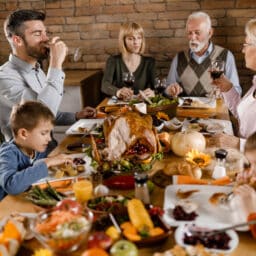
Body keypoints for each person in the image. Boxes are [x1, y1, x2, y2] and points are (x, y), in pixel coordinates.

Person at [0, 9, 96, 141]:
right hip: (28, 160)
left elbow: (47, 109)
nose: (46, 38)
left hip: (49, 150)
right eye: (37, 34)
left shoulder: (37, 70)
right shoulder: (4, 77)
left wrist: (76, 116)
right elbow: (41, 117)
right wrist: (56, 63)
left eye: (45, 33)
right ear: (18, 40)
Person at [0, 101, 73, 200]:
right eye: (44, 133)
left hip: (29, 197)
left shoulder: (37, 147)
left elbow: (53, 150)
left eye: (49, 133)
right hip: (7, 207)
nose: (49, 138)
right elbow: (11, 185)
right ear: (24, 134)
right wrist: (47, 162)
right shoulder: (8, 153)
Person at [165, 11, 241, 97]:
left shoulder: (226, 55)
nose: (192, 38)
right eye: (190, 33)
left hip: (215, 109)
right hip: (186, 109)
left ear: (210, 33)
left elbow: (237, 91)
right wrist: (170, 90)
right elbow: (167, 89)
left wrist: (223, 94)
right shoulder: (179, 58)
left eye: (197, 32)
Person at [209, 18, 256, 148]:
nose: (243, 50)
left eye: (246, 45)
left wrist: (237, 144)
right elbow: (244, 116)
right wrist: (227, 88)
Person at [101, 22, 155, 101]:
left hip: (143, 106)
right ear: (123, 41)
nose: (136, 42)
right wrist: (118, 91)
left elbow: (157, 87)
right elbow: (105, 85)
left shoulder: (150, 62)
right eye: (131, 38)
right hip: (119, 106)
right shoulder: (113, 61)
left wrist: (153, 93)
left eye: (139, 38)